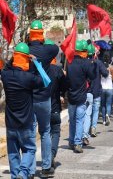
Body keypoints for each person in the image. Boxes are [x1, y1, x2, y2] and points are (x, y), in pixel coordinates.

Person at [2, 43, 44, 179]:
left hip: (10, 123)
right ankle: (23, 172)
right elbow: (46, 80)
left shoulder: (6, 76)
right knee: (30, 149)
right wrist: (36, 63)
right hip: (26, 122)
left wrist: (13, 57)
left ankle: (16, 176)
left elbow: (6, 67)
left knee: (13, 154)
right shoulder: (29, 78)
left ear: (15, 57)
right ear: (26, 58)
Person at [27, 20, 59, 177]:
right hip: (44, 98)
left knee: (31, 133)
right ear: (41, 35)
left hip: (29, 98)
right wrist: (44, 39)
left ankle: (31, 170)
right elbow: (56, 47)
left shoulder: (25, 51)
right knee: (45, 130)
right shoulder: (47, 51)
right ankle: (46, 168)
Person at [66, 40, 96, 153]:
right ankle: (78, 143)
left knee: (72, 121)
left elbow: (67, 80)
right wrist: (92, 65)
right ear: (84, 51)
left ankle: (71, 142)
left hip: (71, 96)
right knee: (79, 121)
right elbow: (92, 76)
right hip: (81, 97)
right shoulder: (86, 63)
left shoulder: (69, 63)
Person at [44, 39, 66, 169]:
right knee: (55, 131)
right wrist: (62, 93)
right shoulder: (57, 70)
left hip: (41, 109)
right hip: (55, 108)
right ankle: (51, 154)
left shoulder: (37, 69)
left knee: (45, 134)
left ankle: (47, 158)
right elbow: (65, 85)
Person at [86, 44, 108, 138]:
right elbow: (105, 74)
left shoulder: (84, 63)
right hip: (96, 90)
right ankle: (93, 128)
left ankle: (87, 129)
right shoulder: (98, 63)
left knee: (87, 112)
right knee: (95, 111)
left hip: (87, 91)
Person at [101, 53, 113, 125]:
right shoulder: (112, 67)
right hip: (109, 88)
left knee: (103, 105)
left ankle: (103, 120)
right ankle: (108, 115)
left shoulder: (100, 67)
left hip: (102, 88)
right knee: (109, 104)